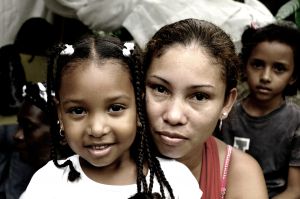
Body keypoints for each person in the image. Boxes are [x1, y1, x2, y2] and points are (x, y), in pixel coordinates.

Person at [21, 34, 202, 198]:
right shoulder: (47, 184)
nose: (97, 129)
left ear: (139, 109)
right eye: (78, 111)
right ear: (59, 113)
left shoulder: (175, 181)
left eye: (115, 108)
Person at [143, 18, 268, 199]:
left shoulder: (239, 175)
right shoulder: (103, 157)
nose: (174, 116)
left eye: (199, 96)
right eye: (160, 89)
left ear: (226, 102)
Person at [215, 22, 300, 198]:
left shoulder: (296, 122)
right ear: (245, 66)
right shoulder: (225, 113)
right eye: (258, 65)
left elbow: (294, 190)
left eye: (279, 68)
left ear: (293, 76)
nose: (266, 77)